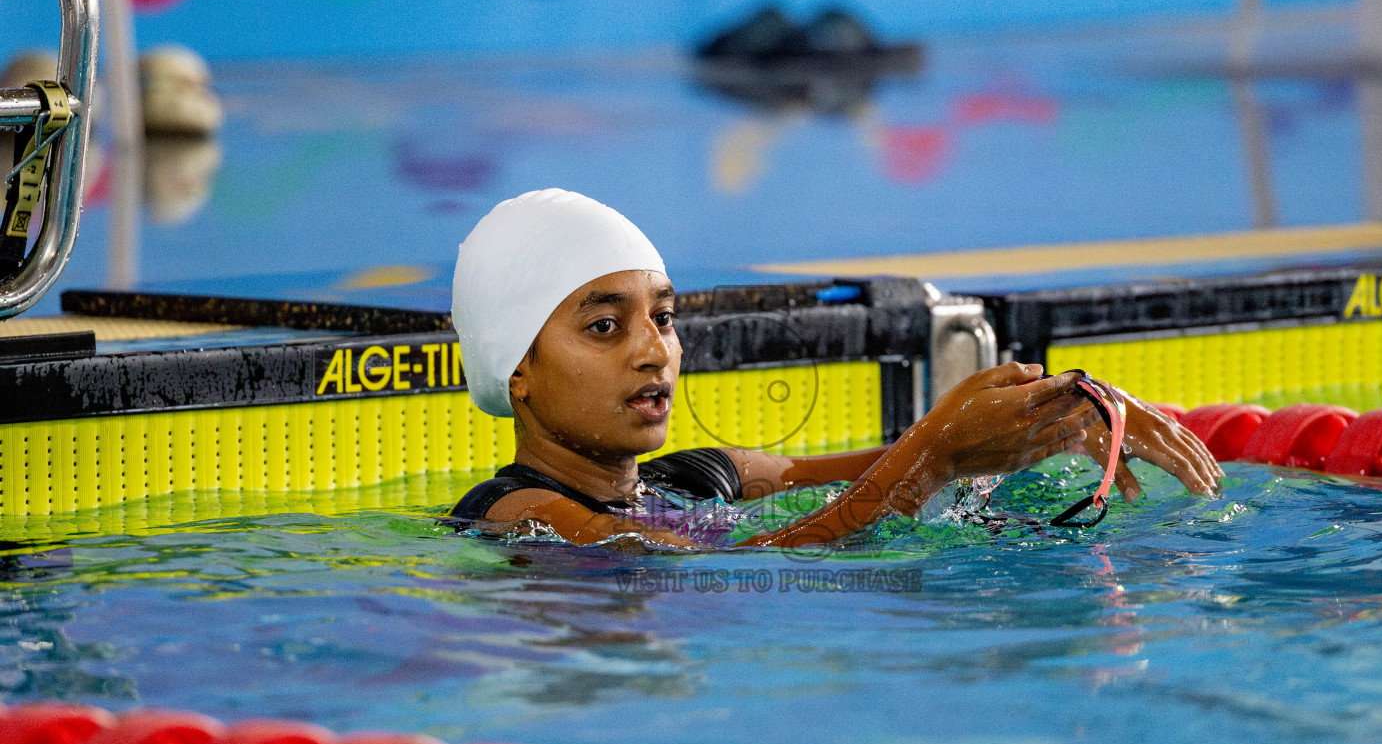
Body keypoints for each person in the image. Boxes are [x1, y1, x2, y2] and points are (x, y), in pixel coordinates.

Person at [448, 189, 1221, 549]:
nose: (653, 349)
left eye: (664, 317)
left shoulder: (701, 480)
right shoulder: (517, 513)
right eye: (605, 326)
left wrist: (1062, 417)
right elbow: (737, 571)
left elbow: (872, 477)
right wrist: (938, 451)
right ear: (517, 367)